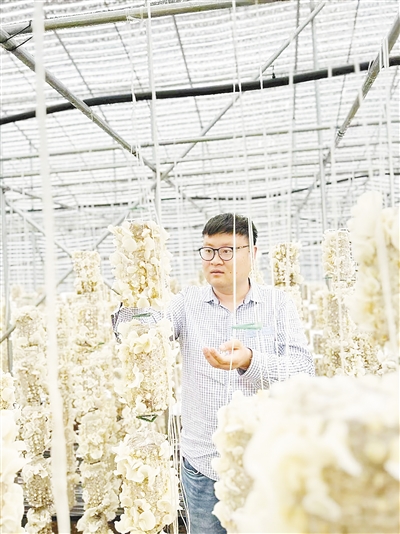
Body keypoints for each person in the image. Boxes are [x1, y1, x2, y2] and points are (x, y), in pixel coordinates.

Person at [113, 213, 315, 534]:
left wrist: (250, 360)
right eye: (208, 250)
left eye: (227, 250)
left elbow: (303, 371)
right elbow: (140, 334)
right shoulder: (186, 303)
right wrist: (137, 282)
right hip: (203, 464)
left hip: (265, 460)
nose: (215, 259)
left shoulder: (278, 305)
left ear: (253, 253)